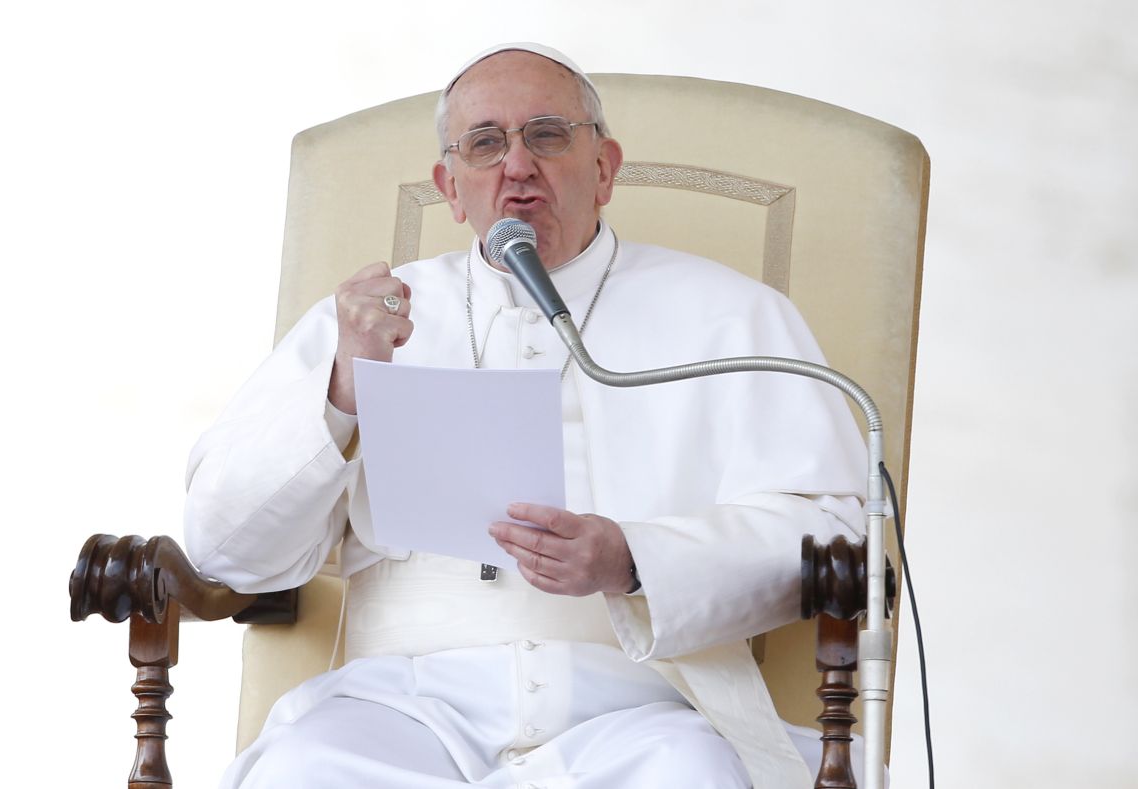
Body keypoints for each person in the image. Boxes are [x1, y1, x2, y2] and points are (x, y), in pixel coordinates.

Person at [184, 43, 869, 789]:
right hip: (402, 704)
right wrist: (344, 388)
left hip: (642, 708)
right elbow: (226, 550)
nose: (517, 165)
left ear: (604, 168)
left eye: (546, 135)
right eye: (485, 144)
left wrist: (634, 559)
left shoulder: (733, 316)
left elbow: (833, 531)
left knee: (688, 773)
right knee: (305, 770)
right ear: (451, 189)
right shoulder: (364, 320)